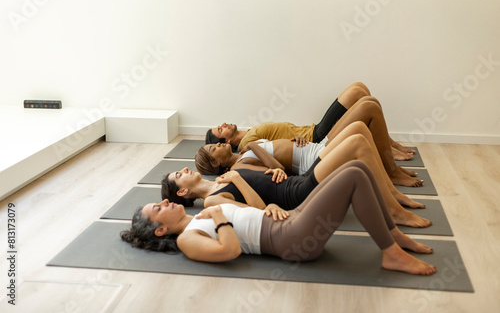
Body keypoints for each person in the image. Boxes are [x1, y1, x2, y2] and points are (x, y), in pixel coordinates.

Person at [121, 161, 437, 276]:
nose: (164, 201)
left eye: (162, 200)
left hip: (287, 220)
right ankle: (391, 253)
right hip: (292, 241)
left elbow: (254, 211)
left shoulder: (203, 213)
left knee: (358, 167)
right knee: (353, 174)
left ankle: (392, 234)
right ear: (161, 229)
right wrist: (219, 217)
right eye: (158, 208)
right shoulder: (189, 239)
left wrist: (268, 209)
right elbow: (229, 251)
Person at [162, 131, 431, 227]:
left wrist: (277, 170)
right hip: (298, 193)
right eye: (179, 175)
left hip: (293, 181)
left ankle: (393, 195)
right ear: (183, 193)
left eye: (181, 169)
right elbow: (257, 211)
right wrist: (239, 180)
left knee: (358, 130)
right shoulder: (212, 201)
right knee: (358, 143)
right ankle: (395, 211)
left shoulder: (223, 178)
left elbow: (267, 174)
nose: (184, 170)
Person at [206, 82, 415, 162]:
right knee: (358, 92)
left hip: (313, 129)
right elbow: (275, 153)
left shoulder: (249, 133)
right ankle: (387, 148)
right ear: (225, 140)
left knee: (362, 92)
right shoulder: (245, 145)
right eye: (219, 129)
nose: (224, 124)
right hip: (316, 137)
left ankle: (388, 144)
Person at [198, 121, 423, 188]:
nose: (217, 145)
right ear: (217, 161)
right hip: (313, 160)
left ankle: (392, 170)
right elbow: (278, 170)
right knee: (359, 130)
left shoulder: (245, 153)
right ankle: (391, 177)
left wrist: (295, 140)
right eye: (214, 147)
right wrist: (255, 147)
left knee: (367, 107)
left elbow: (280, 151)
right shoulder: (242, 165)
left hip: (311, 147)